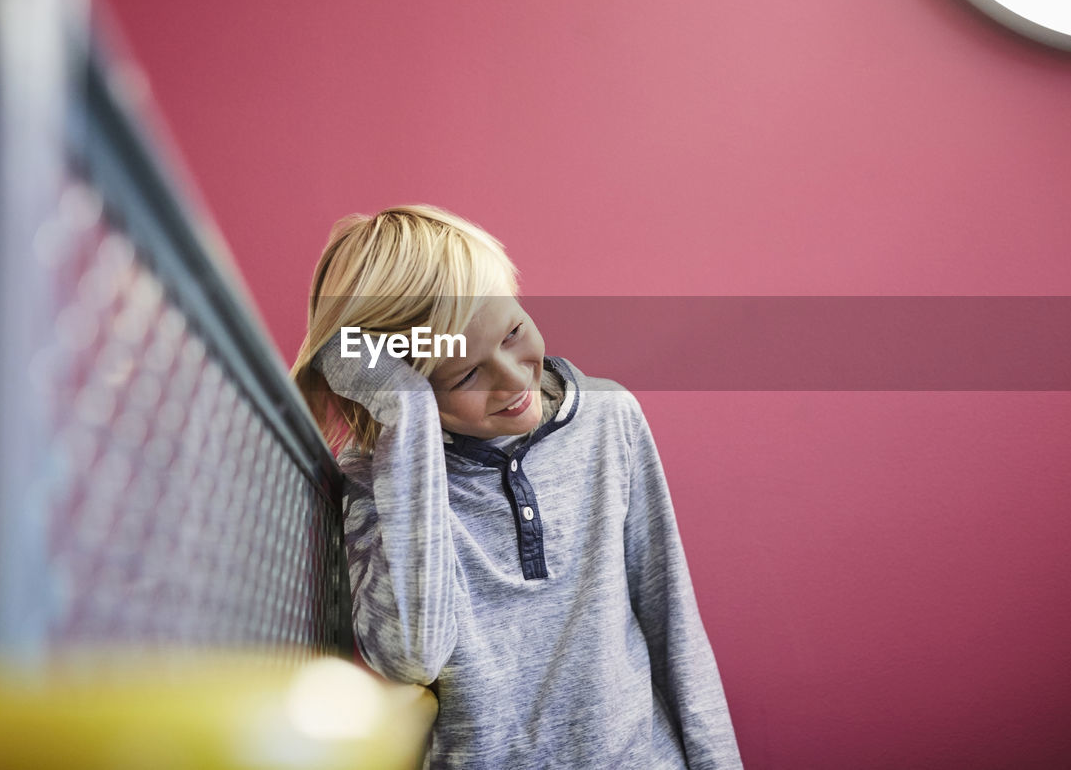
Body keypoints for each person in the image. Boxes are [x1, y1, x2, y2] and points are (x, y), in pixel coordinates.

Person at [291, 205, 742, 769]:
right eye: (467, 374)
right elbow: (411, 657)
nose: (513, 376)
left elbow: (672, 622)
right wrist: (407, 420)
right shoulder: (377, 480)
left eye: (513, 330)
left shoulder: (610, 417)